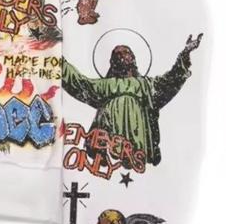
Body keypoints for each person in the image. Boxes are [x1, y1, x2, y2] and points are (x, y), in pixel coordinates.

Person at [63, 34, 202, 166]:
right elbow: (78, 82)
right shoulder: (104, 86)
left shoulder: (146, 85)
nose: (121, 55)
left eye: (125, 52)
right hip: (110, 142)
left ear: (133, 58)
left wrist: (185, 54)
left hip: (138, 147)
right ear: (112, 61)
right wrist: (57, 59)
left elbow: (170, 80)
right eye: (117, 54)